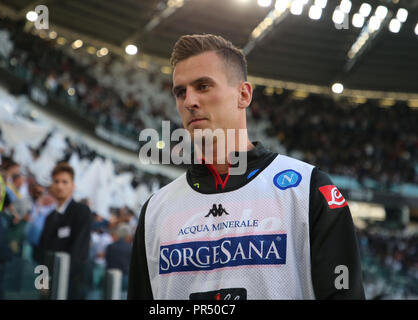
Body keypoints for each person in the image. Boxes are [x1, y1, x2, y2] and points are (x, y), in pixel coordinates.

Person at [128, 34, 365, 300]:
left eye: (203, 86)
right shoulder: (155, 210)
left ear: (243, 94)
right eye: (180, 92)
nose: (189, 101)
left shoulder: (308, 190)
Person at [35, 162, 92, 300]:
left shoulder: (81, 212)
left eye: (65, 182)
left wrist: (58, 277)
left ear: (73, 186)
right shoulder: (49, 218)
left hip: (72, 287)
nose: (60, 186)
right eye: (56, 182)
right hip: (49, 287)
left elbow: (79, 250)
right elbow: (42, 251)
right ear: (51, 186)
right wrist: (43, 279)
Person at [106, 223, 133, 295]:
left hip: (110, 276)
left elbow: (107, 260)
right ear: (127, 236)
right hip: (125, 277)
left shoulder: (110, 247)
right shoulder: (130, 248)